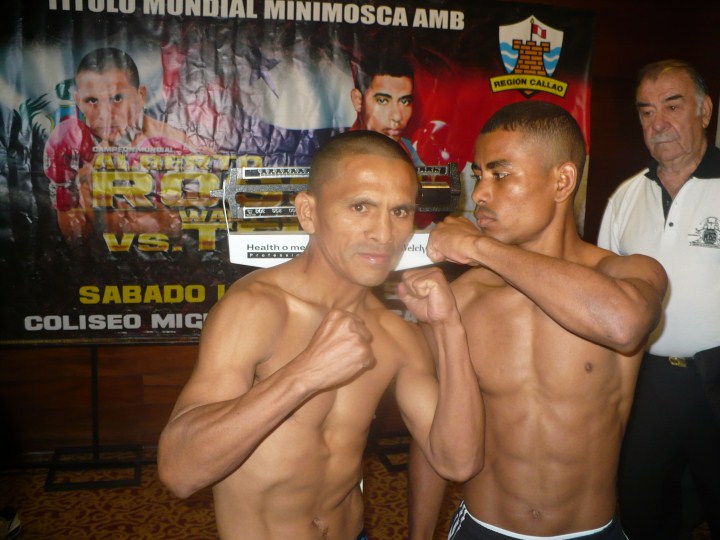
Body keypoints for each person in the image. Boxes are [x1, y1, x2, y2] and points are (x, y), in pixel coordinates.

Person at [157, 130, 484, 539]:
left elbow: (457, 462)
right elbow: (180, 472)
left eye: (400, 211)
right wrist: (304, 374)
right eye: (361, 207)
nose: (384, 234)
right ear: (308, 212)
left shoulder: (395, 334)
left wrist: (448, 328)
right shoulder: (255, 309)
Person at [407, 101, 667, 540]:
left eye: (500, 174)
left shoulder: (625, 274)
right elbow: (432, 434)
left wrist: (477, 248)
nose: (479, 193)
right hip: (483, 527)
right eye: (478, 174)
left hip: (590, 532)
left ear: (562, 180)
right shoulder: (461, 299)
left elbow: (622, 326)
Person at [597, 59, 720, 540]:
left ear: (704, 111)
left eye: (672, 106)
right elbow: (604, 295)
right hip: (645, 380)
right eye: (646, 112)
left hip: (717, 377)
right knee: (644, 507)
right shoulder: (625, 198)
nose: (658, 123)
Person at [43, 47, 208, 244]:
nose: (105, 114)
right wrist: (63, 189)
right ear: (78, 101)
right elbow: (78, 239)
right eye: (92, 100)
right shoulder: (81, 153)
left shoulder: (174, 146)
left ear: (141, 96)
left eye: (117, 98)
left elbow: (196, 230)